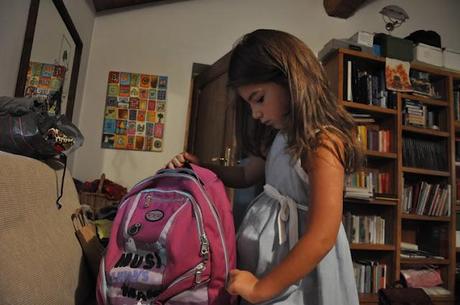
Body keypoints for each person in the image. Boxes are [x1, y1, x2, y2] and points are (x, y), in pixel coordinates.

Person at [167, 29, 363, 305]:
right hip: (268, 262)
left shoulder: (322, 144)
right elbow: (246, 174)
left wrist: (262, 288)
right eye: (249, 105)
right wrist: (203, 168)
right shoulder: (279, 137)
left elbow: (321, 236)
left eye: (259, 99)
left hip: (297, 271)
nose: (255, 114)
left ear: (292, 81)